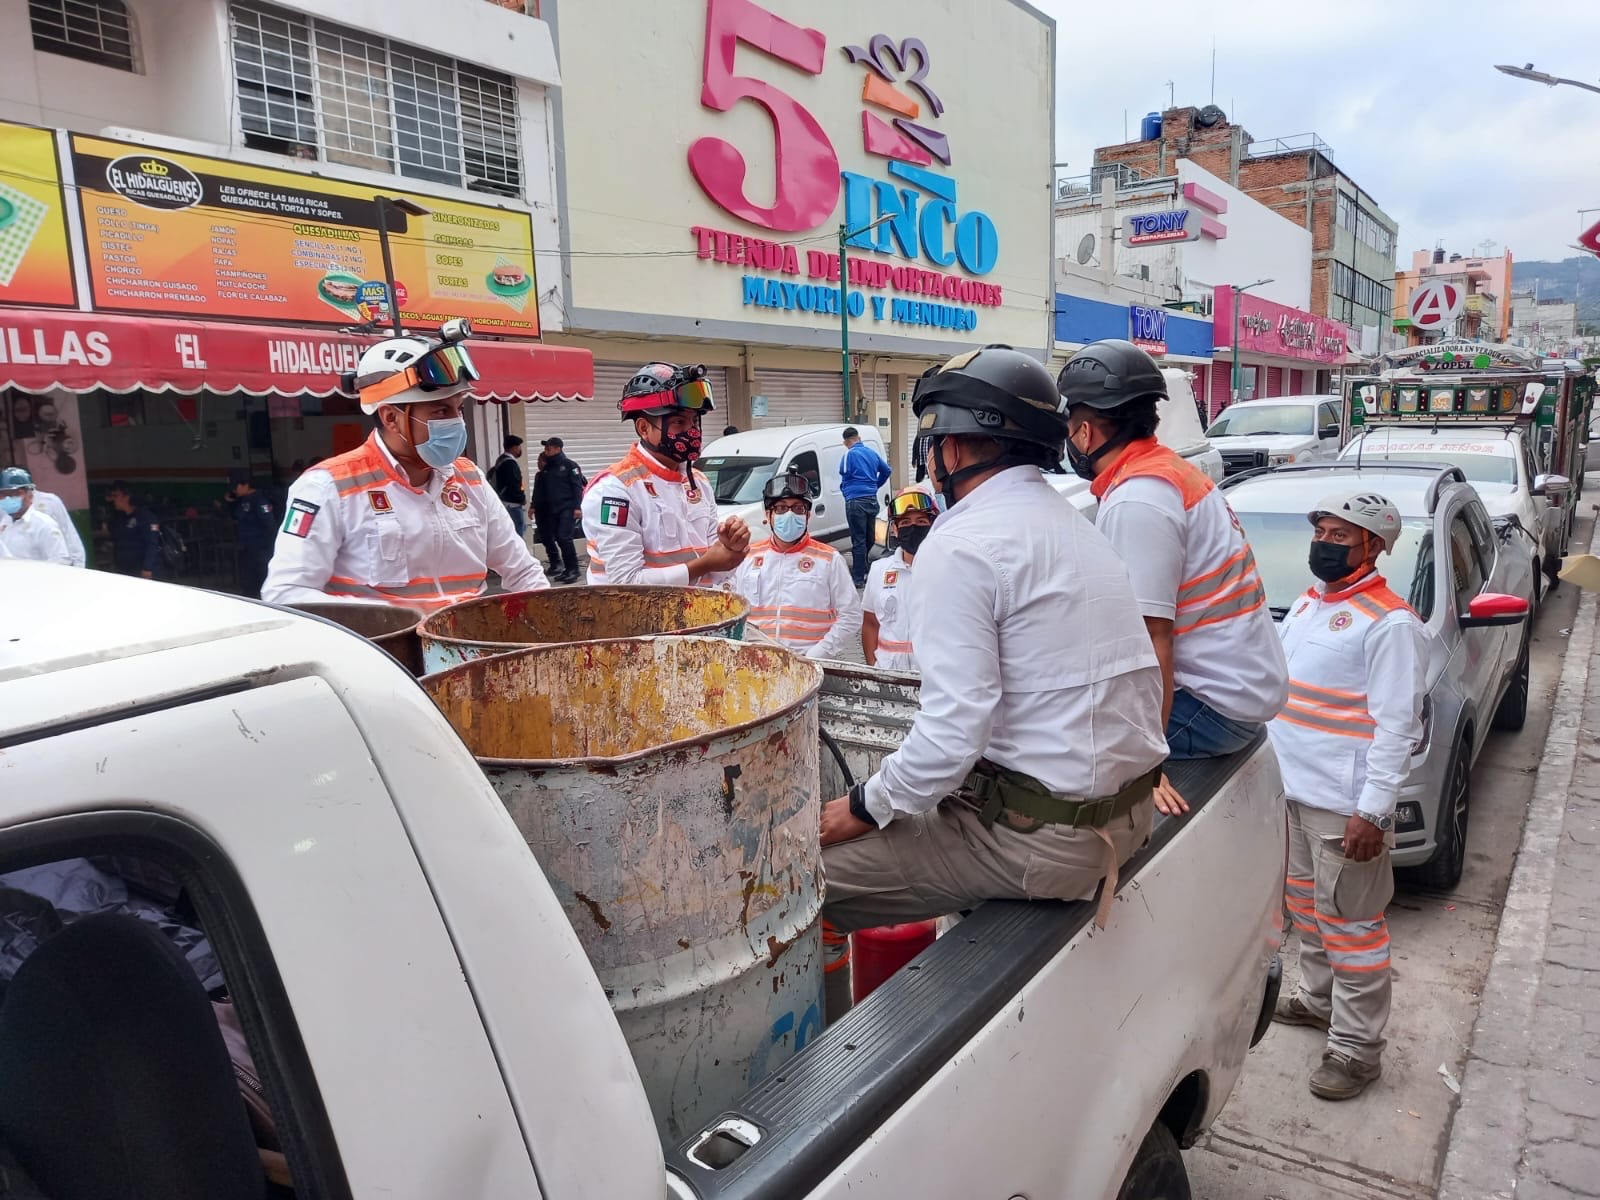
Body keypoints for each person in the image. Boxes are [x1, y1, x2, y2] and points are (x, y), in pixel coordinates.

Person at [818, 346, 1168, 933]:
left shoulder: (963, 545)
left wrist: (861, 806)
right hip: (1123, 815)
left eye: (933, 445)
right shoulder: (1076, 527)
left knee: (794, 876)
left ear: (950, 448)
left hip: (1045, 842)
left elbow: (953, 732)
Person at [1058, 340, 1288, 814]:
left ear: (1083, 432)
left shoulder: (1139, 498)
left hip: (1210, 710)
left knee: (1056, 739)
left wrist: (1147, 759)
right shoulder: (1167, 473)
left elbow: (1150, 640)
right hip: (1236, 695)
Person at [1270, 490, 1428, 1102]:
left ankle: (1357, 1049)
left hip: (1344, 807)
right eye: (1322, 533)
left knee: (1352, 925)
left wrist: (1373, 809)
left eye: (1341, 537)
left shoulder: (1390, 624)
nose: (1325, 545)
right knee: (1308, 911)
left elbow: (1398, 726)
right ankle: (1317, 1000)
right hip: (1295, 793)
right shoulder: (1311, 604)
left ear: (1374, 546)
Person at [261, 326, 548, 609]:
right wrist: (395, 618)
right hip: (383, 652)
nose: (457, 422)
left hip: (467, 648)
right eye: (440, 411)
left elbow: (522, 571)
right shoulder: (328, 487)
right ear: (390, 418)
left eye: (458, 408)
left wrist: (552, 619)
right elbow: (286, 593)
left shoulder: (469, 477)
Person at [582, 362, 748, 586]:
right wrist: (706, 564)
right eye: (679, 422)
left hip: (697, 617)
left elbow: (717, 570)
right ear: (643, 428)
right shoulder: (616, 490)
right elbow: (625, 584)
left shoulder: (699, 482)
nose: (692, 431)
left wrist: (730, 549)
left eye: (695, 421)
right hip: (636, 620)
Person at [730, 470, 861, 658]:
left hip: (809, 666)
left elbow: (851, 616)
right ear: (768, 514)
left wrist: (817, 655)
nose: (789, 514)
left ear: (808, 516)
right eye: (781, 508)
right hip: (757, 665)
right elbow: (733, 611)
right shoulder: (748, 557)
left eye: (798, 508)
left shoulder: (829, 560)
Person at [862, 487, 936, 671]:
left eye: (921, 521)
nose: (913, 528)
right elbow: (870, 624)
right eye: (905, 523)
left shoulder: (949, 570)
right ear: (894, 529)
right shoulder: (879, 571)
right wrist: (874, 669)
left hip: (934, 679)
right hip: (890, 676)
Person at [840, 426, 891, 587]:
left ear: (846, 442)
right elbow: (887, 470)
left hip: (855, 500)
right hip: (871, 499)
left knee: (858, 540)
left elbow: (844, 472)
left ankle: (858, 578)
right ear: (859, 438)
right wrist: (875, 485)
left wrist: (847, 491)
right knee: (871, 538)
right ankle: (871, 573)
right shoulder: (872, 453)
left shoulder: (849, 453)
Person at [532, 436, 584, 584]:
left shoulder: (569, 466)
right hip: (553, 510)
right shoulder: (548, 468)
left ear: (558, 449)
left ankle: (574, 569)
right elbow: (541, 490)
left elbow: (576, 487)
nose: (546, 450)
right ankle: (567, 569)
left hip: (567, 508)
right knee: (558, 538)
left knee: (564, 537)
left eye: (549, 447)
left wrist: (577, 507)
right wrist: (534, 506)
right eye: (546, 447)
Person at [0, 467, 70, 565]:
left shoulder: (43, 524)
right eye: (3, 495)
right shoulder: (4, 523)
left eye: (15, 494)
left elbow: (61, 561)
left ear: (30, 496)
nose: (7, 498)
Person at [225, 470, 277, 599]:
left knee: (262, 581)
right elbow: (235, 516)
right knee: (248, 583)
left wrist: (267, 547)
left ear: (245, 485)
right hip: (247, 548)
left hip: (261, 549)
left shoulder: (260, 499)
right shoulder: (241, 500)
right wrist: (230, 502)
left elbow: (269, 524)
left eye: (235, 487)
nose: (234, 491)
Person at [105, 480, 164, 579]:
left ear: (126, 497)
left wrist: (147, 568)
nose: (113, 499)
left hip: (142, 570)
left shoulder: (146, 516)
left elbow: (152, 543)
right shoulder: (121, 517)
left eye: (116, 496)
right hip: (125, 569)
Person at [29, 487, 86, 568]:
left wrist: (79, 565)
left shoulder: (50, 501)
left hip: (56, 565)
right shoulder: (7, 513)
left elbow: (68, 532)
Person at [490, 435, 527, 537]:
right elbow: (514, 483)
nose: (520, 449)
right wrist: (521, 498)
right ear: (514, 448)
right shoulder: (510, 464)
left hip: (505, 502)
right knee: (517, 532)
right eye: (519, 446)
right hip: (512, 504)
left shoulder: (501, 460)